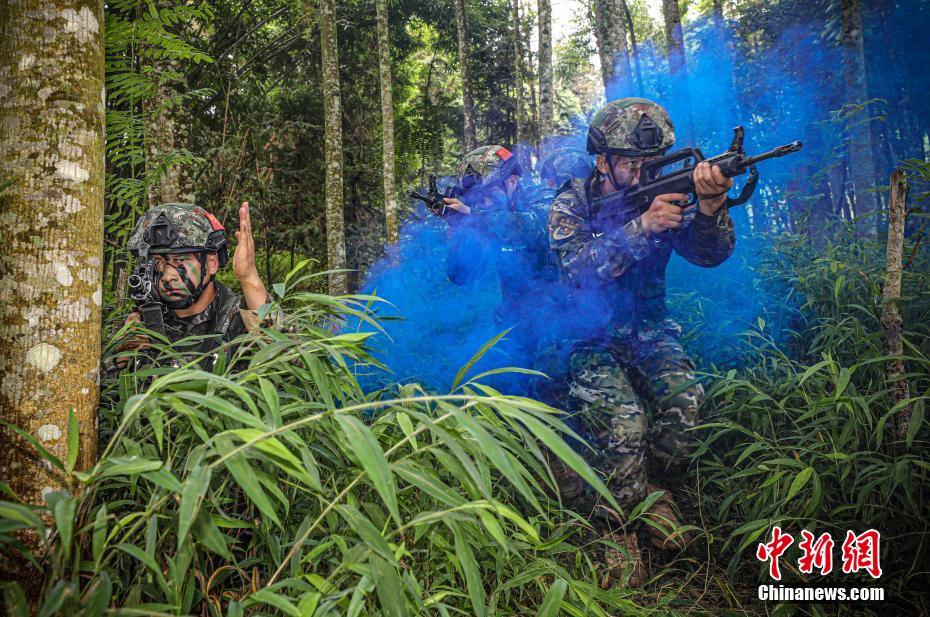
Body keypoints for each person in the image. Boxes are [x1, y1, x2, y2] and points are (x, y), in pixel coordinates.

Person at [546, 97, 736, 584]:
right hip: (588, 336)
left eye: (650, 162)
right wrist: (640, 227)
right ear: (601, 160)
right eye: (631, 163)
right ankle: (614, 525)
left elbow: (707, 254)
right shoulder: (572, 202)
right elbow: (575, 274)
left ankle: (649, 490)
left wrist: (711, 207)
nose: (642, 172)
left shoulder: (660, 188)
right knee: (625, 425)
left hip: (649, 328)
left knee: (687, 405)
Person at [110, 201, 271, 372]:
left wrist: (249, 278)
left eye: (180, 260)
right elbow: (100, 388)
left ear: (211, 263)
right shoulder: (143, 320)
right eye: (157, 262)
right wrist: (123, 352)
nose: (167, 276)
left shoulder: (239, 317)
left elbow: (289, 360)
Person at [435, 145, 553, 374]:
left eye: (487, 195)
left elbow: (535, 226)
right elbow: (461, 276)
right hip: (515, 322)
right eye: (475, 199)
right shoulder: (483, 219)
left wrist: (473, 217)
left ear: (511, 181)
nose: (482, 203)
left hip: (561, 320)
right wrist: (458, 237)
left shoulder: (542, 197)